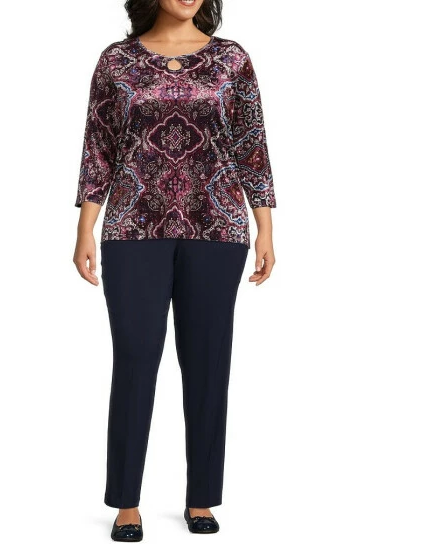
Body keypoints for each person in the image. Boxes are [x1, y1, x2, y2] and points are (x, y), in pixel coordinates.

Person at [73, 0, 277, 541]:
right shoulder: (116, 61)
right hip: (132, 228)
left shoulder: (232, 60)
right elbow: (99, 148)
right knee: (135, 360)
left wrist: (265, 228)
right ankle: (126, 502)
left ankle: (201, 498)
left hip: (219, 227)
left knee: (208, 364)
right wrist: (84, 229)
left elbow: (251, 146)